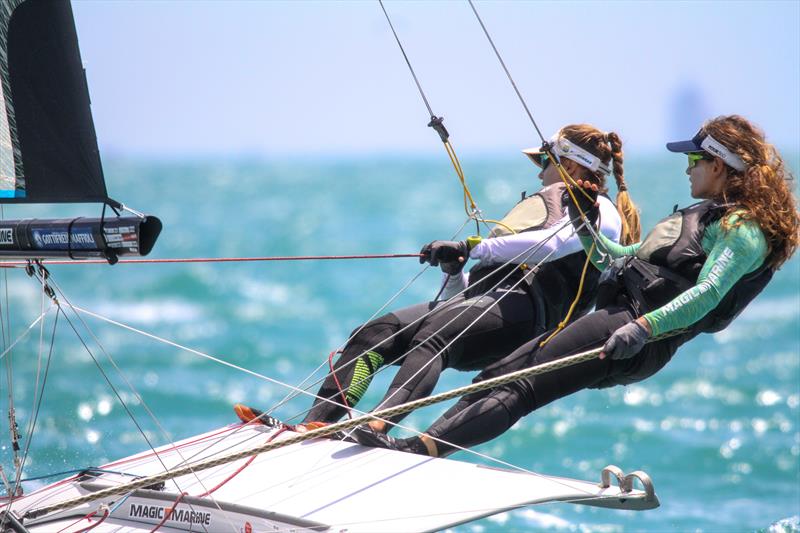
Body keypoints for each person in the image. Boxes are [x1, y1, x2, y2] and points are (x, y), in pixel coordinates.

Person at [354, 114, 800, 457]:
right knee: (498, 376)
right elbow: (621, 258)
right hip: (622, 321)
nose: (687, 171)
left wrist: (643, 328)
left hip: (634, 329)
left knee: (520, 387)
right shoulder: (711, 214)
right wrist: (586, 227)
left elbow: (707, 295)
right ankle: (419, 449)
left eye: (692, 160)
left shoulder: (744, 228)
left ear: (719, 164)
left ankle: (416, 451)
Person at [236, 124, 639, 431]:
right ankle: (318, 426)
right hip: (481, 308)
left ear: (568, 164)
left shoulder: (603, 211)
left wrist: (471, 247)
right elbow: (456, 304)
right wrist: (456, 270)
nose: (538, 176)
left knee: (434, 335)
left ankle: (376, 425)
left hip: (525, 320)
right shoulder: (543, 203)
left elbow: (552, 246)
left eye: (544, 164)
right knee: (373, 335)